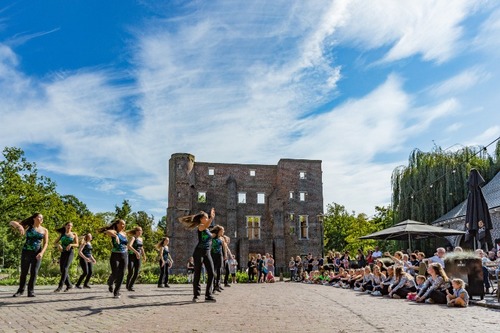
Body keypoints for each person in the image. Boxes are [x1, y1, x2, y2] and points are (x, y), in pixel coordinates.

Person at [178, 208, 216, 302]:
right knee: (197, 274)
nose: (207, 219)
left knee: (211, 273)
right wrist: (211, 217)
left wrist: (219, 233)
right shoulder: (200, 227)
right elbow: (206, 225)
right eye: (206, 218)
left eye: (207, 218)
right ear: (201, 219)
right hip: (199, 253)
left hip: (207, 253)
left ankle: (208, 295)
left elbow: (212, 236)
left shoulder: (207, 230)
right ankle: (196, 295)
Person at [9, 213, 49, 297]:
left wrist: (41, 253)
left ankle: (31, 291)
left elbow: (46, 243)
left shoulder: (44, 230)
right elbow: (11, 222)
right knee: (24, 272)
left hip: (37, 253)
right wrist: (19, 226)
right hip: (26, 252)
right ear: (34, 218)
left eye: (42, 218)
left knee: (34, 272)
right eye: (39, 217)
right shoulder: (28, 226)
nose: (41, 219)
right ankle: (20, 291)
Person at [100, 219, 128, 299]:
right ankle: (110, 281)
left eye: (124, 224)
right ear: (117, 224)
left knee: (122, 274)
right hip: (115, 255)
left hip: (124, 255)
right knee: (115, 272)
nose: (123, 226)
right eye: (122, 224)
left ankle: (116, 292)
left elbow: (126, 244)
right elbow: (106, 232)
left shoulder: (124, 233)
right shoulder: (114, 232)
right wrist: (116, 236)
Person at [54, 222, 79, 292]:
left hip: (70, 252)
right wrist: (59, 245)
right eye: (68, 225)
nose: (69, 227)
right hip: (63, 253)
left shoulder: (74, 234)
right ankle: (69, 285)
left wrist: (71, 244)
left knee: (65, 268)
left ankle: (60, 286)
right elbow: (55, 242)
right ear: (65, 226)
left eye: (71, 226)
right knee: (62, 269)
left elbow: (77, 244)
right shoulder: (62, 234)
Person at [126, 226, 146, 291]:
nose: (141, 232)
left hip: (138, 257)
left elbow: (141, 248)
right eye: (139, 230)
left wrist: (144, 255)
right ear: (136, 231)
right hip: (131, 256)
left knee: (136, 272)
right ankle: (127, 284)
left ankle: (130, 286)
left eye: (141, 231)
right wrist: (136, 252)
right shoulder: (133, 238)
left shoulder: (141, 239)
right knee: (130, 271)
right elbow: (129, 246)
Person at [210, 225, 226, 293]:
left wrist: (225, 255)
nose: (223, 232)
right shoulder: (213, 236)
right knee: (213, 270)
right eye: (222, 230)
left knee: (219, 270)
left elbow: (224, 247)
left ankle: (217, 285)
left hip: (220, 255)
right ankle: (213, 286)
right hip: (212, 255)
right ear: (219, 231)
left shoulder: (222, 238)